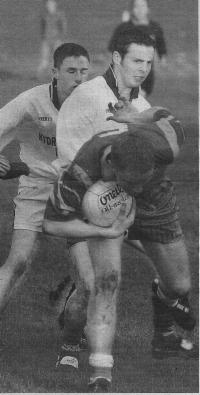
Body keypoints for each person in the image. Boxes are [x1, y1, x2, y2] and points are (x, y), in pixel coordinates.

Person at [43, 105, 194, 392]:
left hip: (155, 202)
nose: (134, 189)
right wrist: (104, 230)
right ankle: (101, 373)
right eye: (131, 182)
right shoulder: (80, 175)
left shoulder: (166, 145)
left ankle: (161, 296)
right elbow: (51, 224)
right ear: (111, 163)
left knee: (179, 285)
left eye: (141, 180)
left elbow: (165, 114)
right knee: (105, 283)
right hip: (104, 213)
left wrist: (133, 117)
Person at [0, 43, 90, 319]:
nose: (79, 78)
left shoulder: (95, 104)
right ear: (54, 72)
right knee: (18, 262)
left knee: (87, 274)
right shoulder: (30, 101)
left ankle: (73, 324)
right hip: (35, 189)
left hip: (78, 192)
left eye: (84, 71)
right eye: (71, 70)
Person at [108, 0, 167, 97]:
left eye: (143, 6)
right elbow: (113, 52)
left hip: (146, 77)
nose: (140, 10)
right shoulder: (123, 28)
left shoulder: (155, 28)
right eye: (136, 7)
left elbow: (162, 54)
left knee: (137, 101)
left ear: (148, 9)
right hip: (125, 75)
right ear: (132, 10)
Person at [37, 0, 67, 77]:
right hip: (46, 39)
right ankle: (39, 75)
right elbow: (42, 27)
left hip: (56, 39)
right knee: (44, 59)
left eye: (51, 4)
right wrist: (43, 37)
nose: (49, 6)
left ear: (55, 5)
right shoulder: (44, 15)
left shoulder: (59, 15)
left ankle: (59, 76)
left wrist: (61, 38)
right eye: (48, 4)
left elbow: (63, 27)